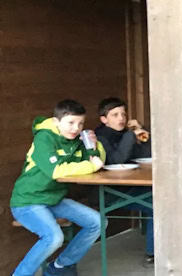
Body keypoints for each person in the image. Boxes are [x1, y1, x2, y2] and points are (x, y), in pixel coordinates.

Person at [10, 99, 105, 276]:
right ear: (56, 122)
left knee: (97, 222)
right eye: (70, 123)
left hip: (54, 199)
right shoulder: (44, 138)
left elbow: (97, 159)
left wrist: (95, 144)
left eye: (80, 123)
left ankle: (60, 266)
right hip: (28, 201)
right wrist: (91, 166)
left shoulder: (76, 139)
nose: (76, 128)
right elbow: (55, 171)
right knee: (54, 237)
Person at [93, 97, 156, 266]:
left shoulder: (125, 134)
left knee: (162, 197)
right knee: (158, 204)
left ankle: (158, 249)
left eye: (123, 114)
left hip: (130, 187)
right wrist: (129, 136)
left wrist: (140, 130)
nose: (121, 118)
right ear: (104, 119)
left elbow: (148, 154)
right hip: (110, 192)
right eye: (115, 115)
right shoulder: (101, 137)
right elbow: (116, 160)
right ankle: (153, 253)